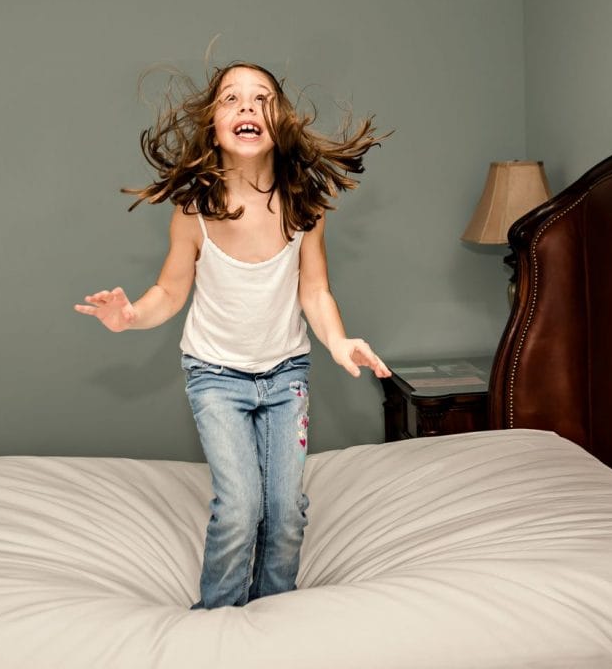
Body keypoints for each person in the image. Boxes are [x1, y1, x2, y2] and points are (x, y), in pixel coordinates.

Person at [74, 61, 391, 609]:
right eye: (231, 99)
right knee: (242, 506)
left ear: (281, 121)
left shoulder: (304, 205)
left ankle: (273, 611)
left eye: (261, 98)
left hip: (286, 373)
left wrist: (338, 341)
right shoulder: (194, 208)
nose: (247, 107)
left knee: (286, 511)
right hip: (215, 376)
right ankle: (215, 617)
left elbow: (315, 291)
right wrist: (128, 316)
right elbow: (170, 293)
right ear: (213, 125)